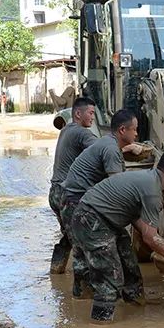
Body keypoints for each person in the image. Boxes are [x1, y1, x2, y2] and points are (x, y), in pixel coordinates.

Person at [71, 149, 164, 323]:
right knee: (110, 277)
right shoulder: (152, 191)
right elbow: (150, 238)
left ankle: (135, 301)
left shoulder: (149, 179)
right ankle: (100, 325)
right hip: (91, 219)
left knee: (128, 259)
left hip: (102, 218)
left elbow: (137, 221)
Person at [60, 109, 140, 299]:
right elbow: (119, 189)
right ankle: (86, 300)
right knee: (84, 254)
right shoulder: (111, 149)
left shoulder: (109, 143)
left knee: (114, 243)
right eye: (134, 130)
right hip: (76, 202)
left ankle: (87, 298)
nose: (136, 134)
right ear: (122, 130)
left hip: (80, 198)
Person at [48, 97, 98, 274]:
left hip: (54, 192)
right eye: (91, 113)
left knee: (70, 234)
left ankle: (56, 269)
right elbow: (104, 149)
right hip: (66, 195)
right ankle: (81, 293)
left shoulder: (66, 130)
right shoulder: (81, 133)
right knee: (80, 240)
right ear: (78, 113)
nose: (93, 117)